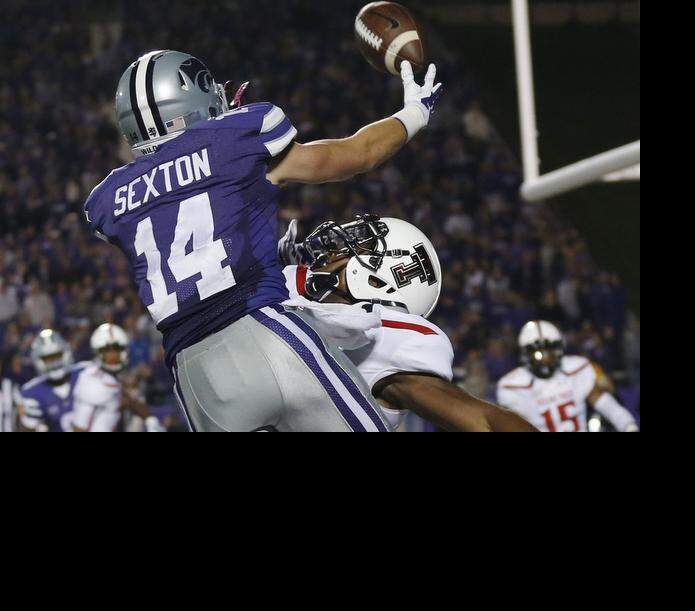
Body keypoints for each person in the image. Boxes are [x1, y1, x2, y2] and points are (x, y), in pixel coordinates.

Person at [83, 50, 441, 432]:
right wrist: (414, 113)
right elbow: (358, 154)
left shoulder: (107, 198)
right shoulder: (235, 138)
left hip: (194, 375)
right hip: (264, 331)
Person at [278, 215, 535, 432]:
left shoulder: (384, 336)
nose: (331, 253)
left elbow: (484, 421)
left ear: (375, 280)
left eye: (352, 249)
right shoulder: (291, 279)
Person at [496, 321, 639, 433]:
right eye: (538, 353)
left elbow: (605, 404)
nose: (544, 358)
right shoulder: (512, 386)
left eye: (549, 352)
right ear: (525, 355)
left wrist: (628, 426)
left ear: (559, 350)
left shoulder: (576, 369)